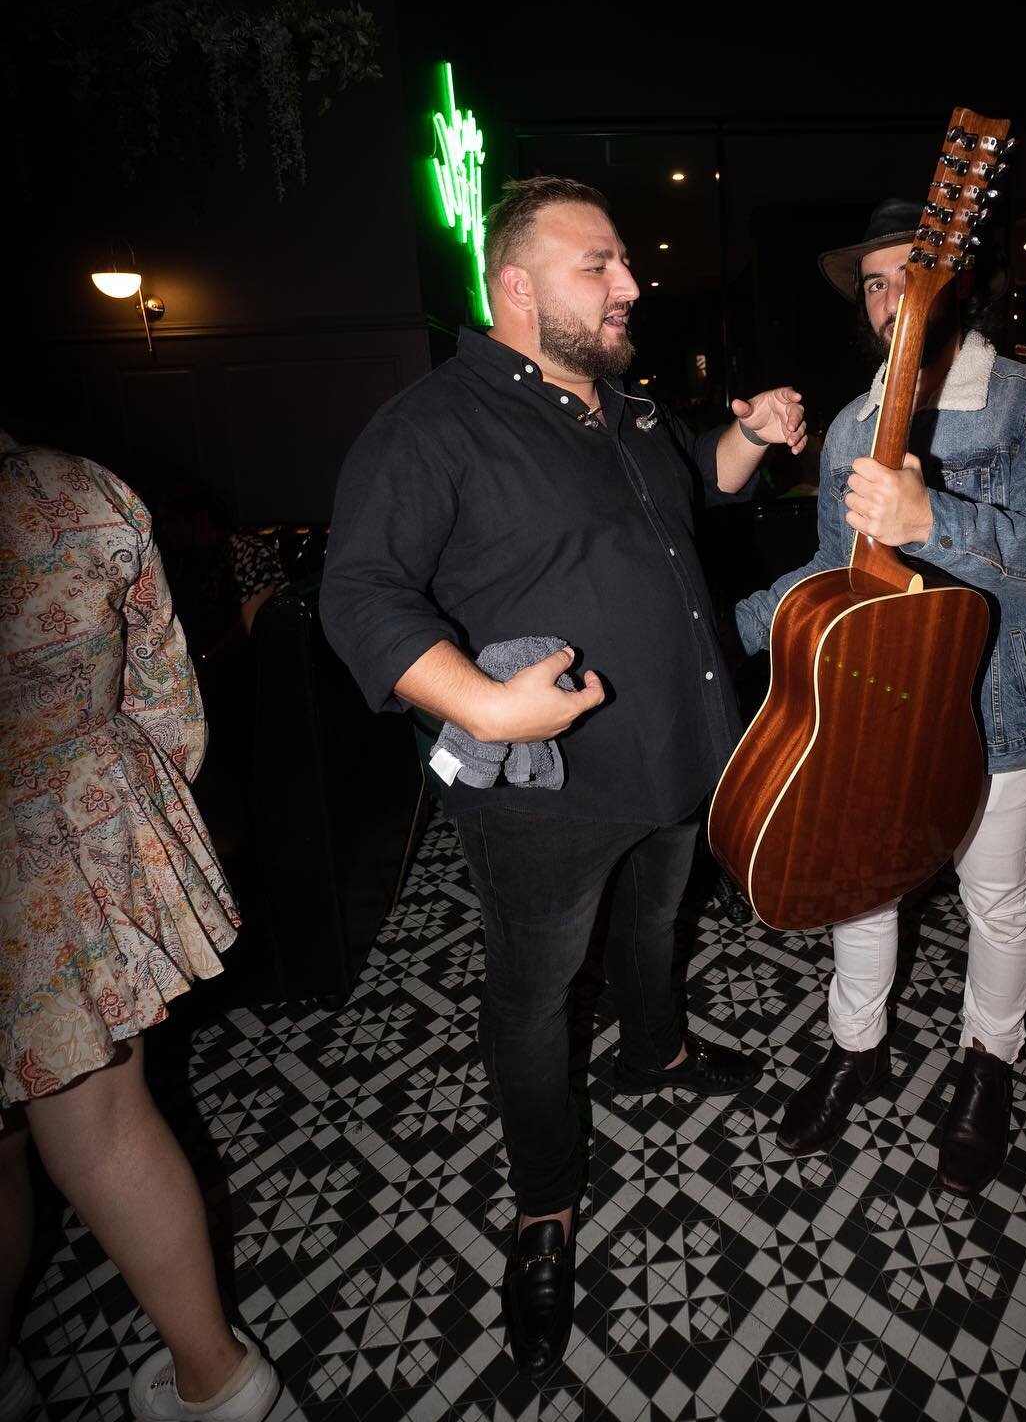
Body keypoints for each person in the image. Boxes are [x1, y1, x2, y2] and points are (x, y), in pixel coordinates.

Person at [319, 175, 806, 1378]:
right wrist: (483, 701)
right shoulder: (432, 427)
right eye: (601, 264)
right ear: (517, 285)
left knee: (655, 921)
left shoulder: (630, 412)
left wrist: (746, 437)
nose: (632, 284)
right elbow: (359, 591)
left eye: (626, 262)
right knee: (534, 995)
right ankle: (544, 1204)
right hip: (541, 790)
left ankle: (655, 1052)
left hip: (677, 749)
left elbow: (693, 485)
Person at [734, 200, 1026, 1194]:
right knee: (861, 885)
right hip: (873, 697)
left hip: (998, 706)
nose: (892, 296)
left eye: (914, 273)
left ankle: (988, 1067)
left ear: (957, 286)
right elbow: (831, 564)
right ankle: (858, 1048)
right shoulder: (852, 422)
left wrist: (932, 514)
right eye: (874, 280)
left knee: (996, 897)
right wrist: (725, 624)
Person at [0, 434, 279, 1422]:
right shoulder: (68, 490)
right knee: (103, 1121)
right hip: (71, 822)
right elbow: (166, 697)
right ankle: (220, 1379)